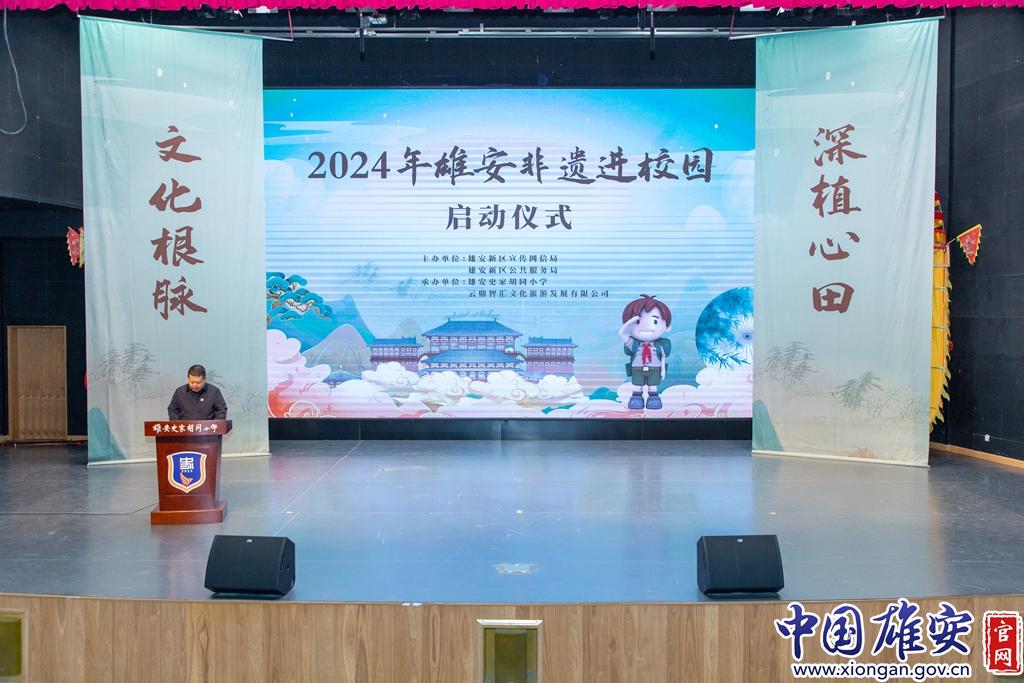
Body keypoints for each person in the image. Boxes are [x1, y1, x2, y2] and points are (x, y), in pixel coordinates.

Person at [619, 294, 672, 410]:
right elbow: (622, 334)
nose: (646, 326)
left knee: (653, 387)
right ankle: (636, 398)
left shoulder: (660, 345)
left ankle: (653, 398)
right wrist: (628, 323)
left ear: (667, 326)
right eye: (638, 322)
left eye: (655, 321)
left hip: (655, 369)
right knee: (637, 386)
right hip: (637, 369)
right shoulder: (634, 344)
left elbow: (663, 357)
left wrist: (663, 370)